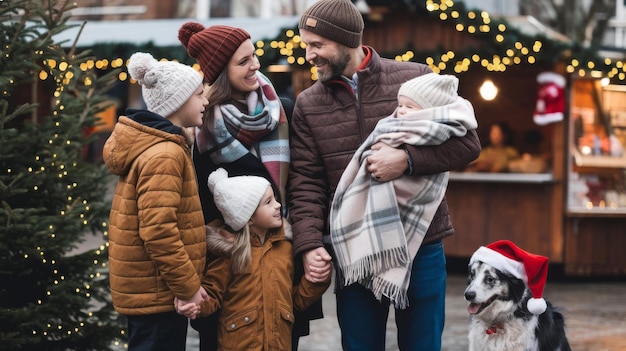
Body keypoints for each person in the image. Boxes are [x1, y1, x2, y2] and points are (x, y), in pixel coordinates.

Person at [287, 0, 482, 350]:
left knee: (422, 345)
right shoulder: (308, 103)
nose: (309, 55)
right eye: (306, 45)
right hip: (353, 248)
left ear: (346, 40)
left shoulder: (416, 77)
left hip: (421, 243)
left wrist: (406, 159)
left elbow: (467, 144)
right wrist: (310, 243)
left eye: (317, 45)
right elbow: (306, 182)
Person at [177, 23, 321, 350]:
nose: (256, 64)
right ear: (221, 72)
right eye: (243, 61)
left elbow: (303, 180)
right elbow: (198, 201)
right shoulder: (202, 122)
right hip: (229, 266)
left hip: (282, 260)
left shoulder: (282, 108)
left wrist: (308, 239)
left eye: (253, 55)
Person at [331, 73, 477, 309]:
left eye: (410, 107)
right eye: (400, 105)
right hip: (364, 239)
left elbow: (469, 146)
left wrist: (406, 158)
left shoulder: (435, 118)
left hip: (424, 235)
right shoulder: (388, 125)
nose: (401, 112)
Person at [103, 52, 209, 351]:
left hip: (154, 289)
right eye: (199, 95)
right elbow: (159, 231)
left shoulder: (163, 147)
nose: (206, 101)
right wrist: (188, 288)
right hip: (156, 293)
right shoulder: (165, 154)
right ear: (178, 102)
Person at [175, 168, 331, 350]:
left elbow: (295, 300)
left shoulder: (286, 247)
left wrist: (316, 281)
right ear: (247, 218)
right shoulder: (230, 252)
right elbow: (212, 294)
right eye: (268, 202)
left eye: (275, 199)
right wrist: (195, 305)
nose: (278, 205)